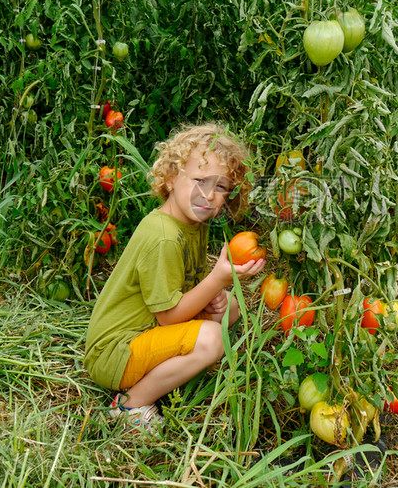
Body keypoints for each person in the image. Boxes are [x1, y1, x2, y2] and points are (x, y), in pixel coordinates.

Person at [84, 123, 266, 433]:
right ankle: (129, 405)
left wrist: (213, 297)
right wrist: (216, 281)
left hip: (145, 333)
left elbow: (185, 288)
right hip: (115, 353)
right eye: (199, 180)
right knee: (212, 338)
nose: (208, 195)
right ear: (171, 178)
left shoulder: (193, 222)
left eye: (220, 186)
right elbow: (169, 317)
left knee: (231, 309)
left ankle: (164, 375)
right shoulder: (164, 237)